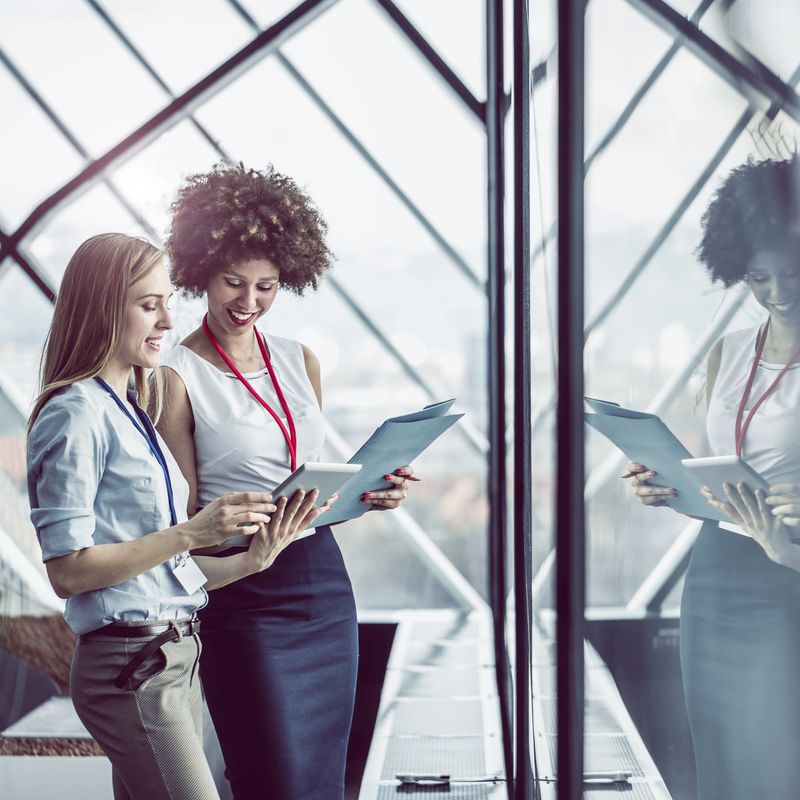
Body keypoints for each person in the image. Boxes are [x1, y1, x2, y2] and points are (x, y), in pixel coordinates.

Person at [27, 233, 329, 800]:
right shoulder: (75, 415)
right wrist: (193, 532)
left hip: (176, 655)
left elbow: (164, 573)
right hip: (131, 664)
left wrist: (250, 560)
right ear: (101, 308)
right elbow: (67, 571)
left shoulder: (131, 408)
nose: (168, 319)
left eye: (167, 301)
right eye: (149, 305)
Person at [156, 163, 415, 800]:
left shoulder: (302, 360)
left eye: (267, 286)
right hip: (244, 592)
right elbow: (181, 525)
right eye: (233, 282)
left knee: (323, 781)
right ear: (200, 272)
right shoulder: (175, 375)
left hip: (322, 583)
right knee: (273, 778)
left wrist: (367, 496)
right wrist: (244, 548)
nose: (248, 303)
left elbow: (310, 490)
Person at [628, 155, 800, 800]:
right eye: (758, 276)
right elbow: (718, 473)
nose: (778, 290)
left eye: (793, 271)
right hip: (719, 574)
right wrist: (669, 487)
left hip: (792, 569)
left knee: (782, 766)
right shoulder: (728, 353)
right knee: (723, 767)